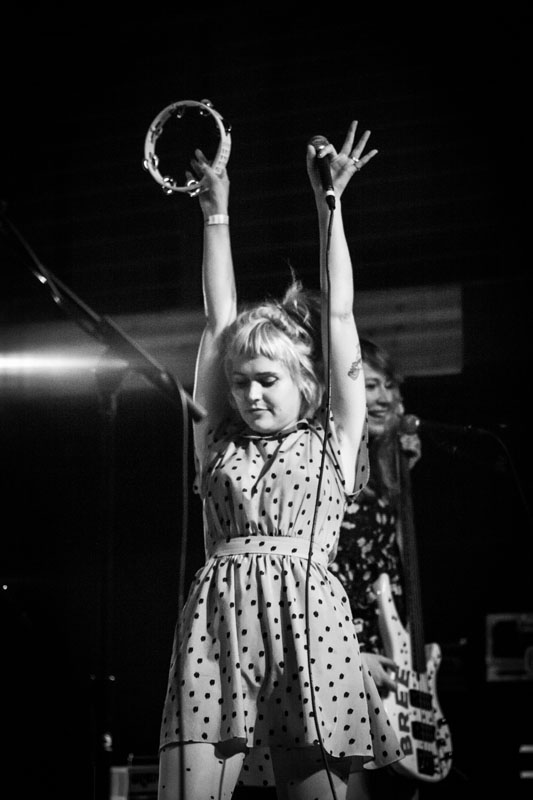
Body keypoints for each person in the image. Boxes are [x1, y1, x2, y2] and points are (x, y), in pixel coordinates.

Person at [156, 121, 404, 800]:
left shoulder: (333, 440)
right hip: (217, 626)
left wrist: (330, 207)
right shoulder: (216, 439)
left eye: (267, 378)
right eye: (241, 381)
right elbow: (218, 322)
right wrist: (215, 213)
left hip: (312, 625)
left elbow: (341, 318)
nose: (250, 392)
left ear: (305, 382)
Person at [329, 338, 422, 800]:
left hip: (390, 661)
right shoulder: (334, 468)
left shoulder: (386, 471)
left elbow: (396, 574)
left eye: (389, 385)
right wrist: (352, 653)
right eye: (370, 385)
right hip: (343, 657)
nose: (383, 396)